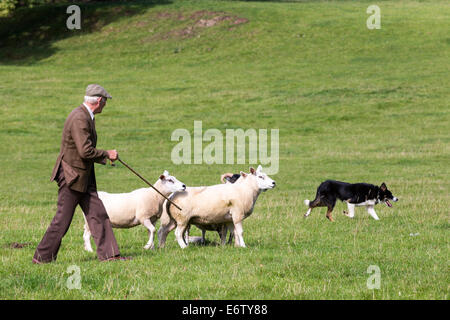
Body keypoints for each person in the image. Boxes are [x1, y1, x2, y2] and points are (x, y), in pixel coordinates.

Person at [33, 84, 130, 263]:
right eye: (105, 102)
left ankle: (110, 256)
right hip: (73, 178)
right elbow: (85, 151)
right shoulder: (80, 118)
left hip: (83, 177)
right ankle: (42, 257)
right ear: (99, 101)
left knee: (98, 214)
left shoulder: (86, 116)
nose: (105, 105)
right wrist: (107, 154)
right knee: (62, 220)